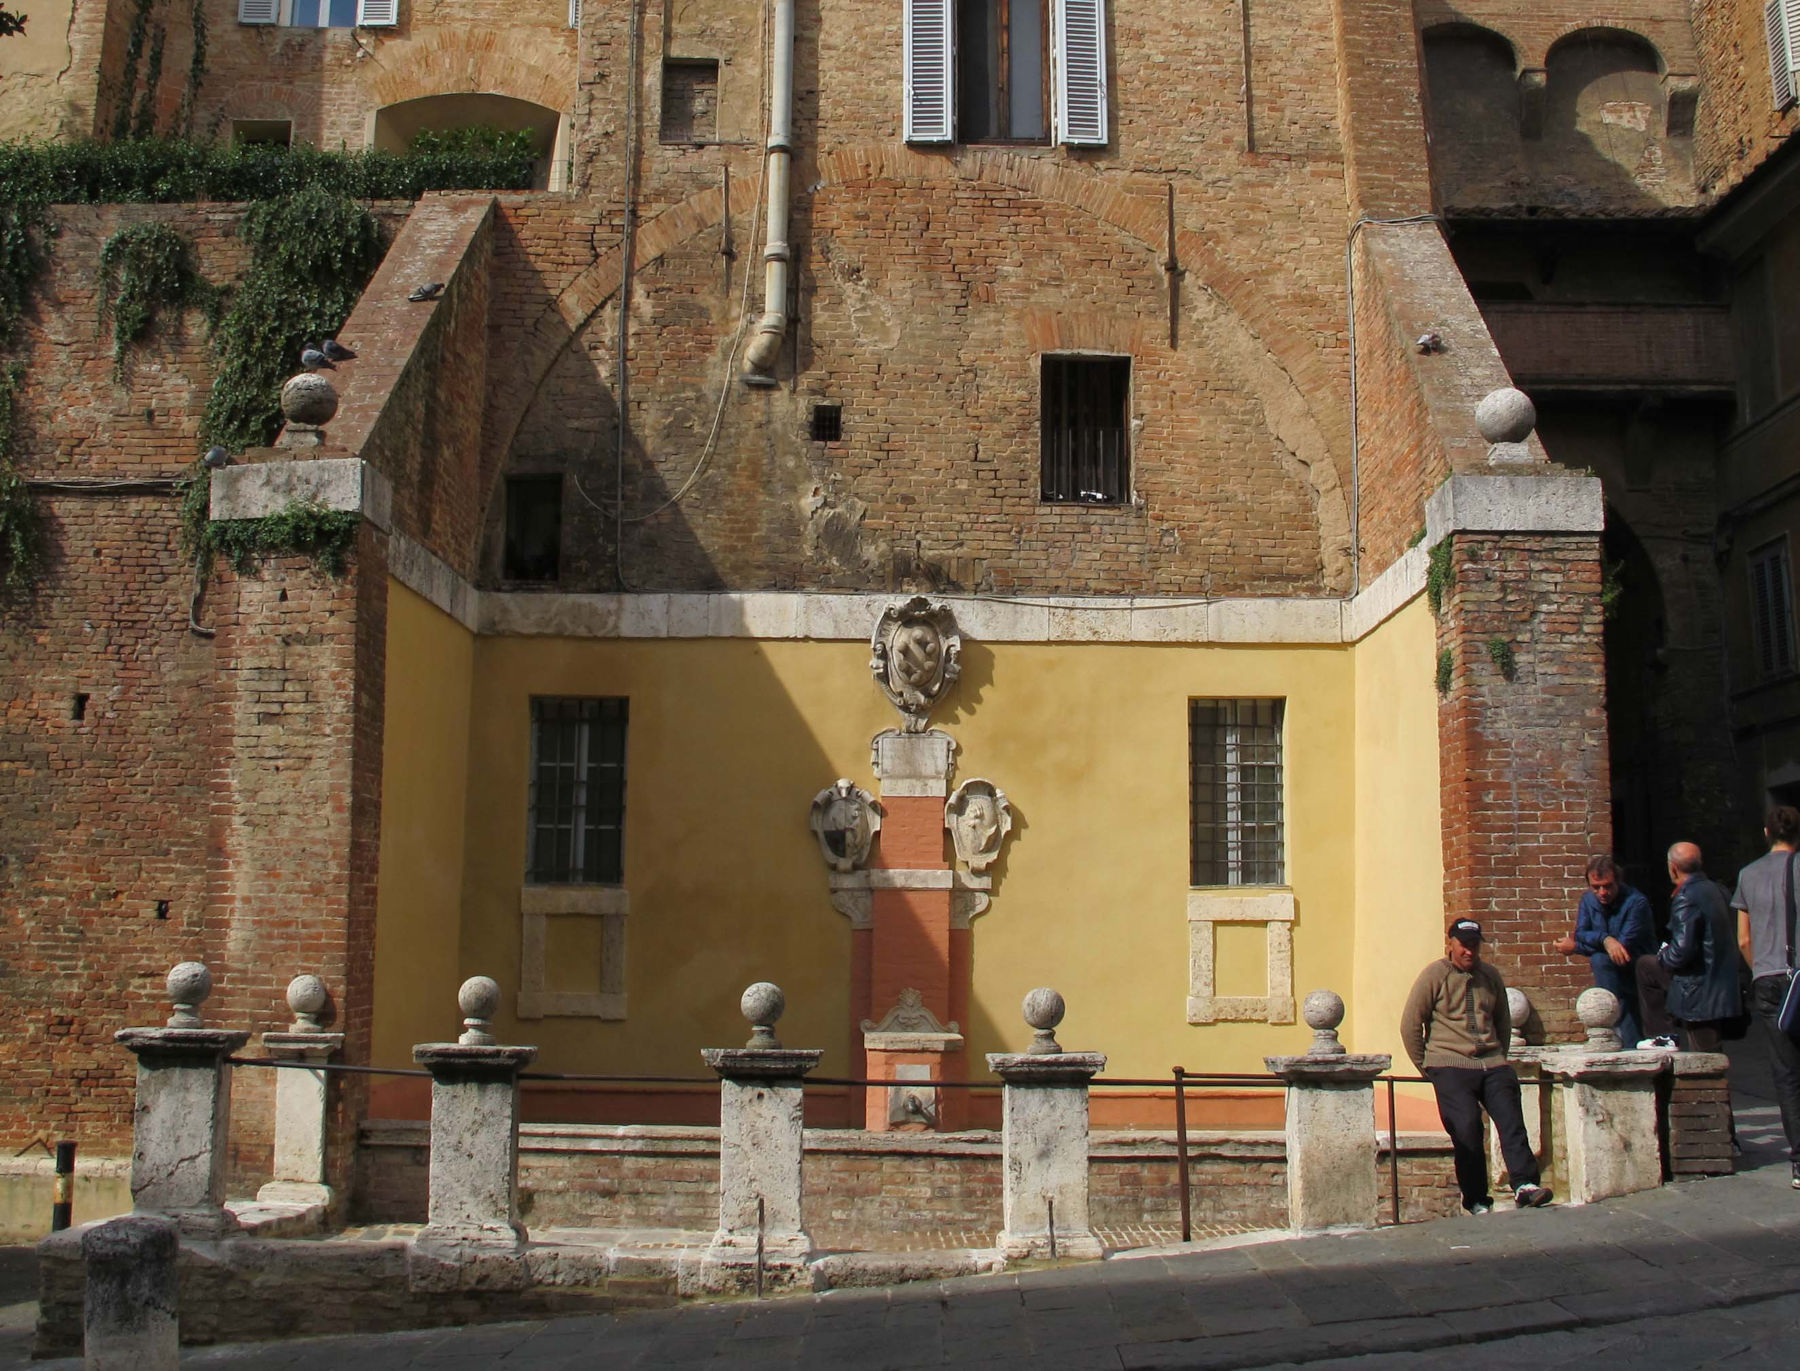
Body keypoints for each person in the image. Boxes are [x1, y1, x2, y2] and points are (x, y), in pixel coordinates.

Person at [1401, 919, 1553, 1214]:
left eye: (1474, 945)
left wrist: (1499, 1058)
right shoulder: (1434, 975)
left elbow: (1503, 1022)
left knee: (1510, 1121)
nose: (1469, 951)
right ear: (1452, 944)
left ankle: (1524, 1184)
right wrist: (1427, 1067)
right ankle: (1476, 1199)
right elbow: (1410, 1024)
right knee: (1467, 1128)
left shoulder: (1490, 976)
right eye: (1464, 945)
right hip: (1449, 1064)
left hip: (1491, 1062)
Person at [1731, 807, 1800, 1190]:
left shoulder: (1748, 874)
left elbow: (1743, 938)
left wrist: (1760, 967)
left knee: (1786, 1072)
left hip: (1769, 978)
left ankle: (1799, 1162)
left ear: (1766, 833)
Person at [1556, 854, 1656, 1050]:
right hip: (1610, 970)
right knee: (1601, 958)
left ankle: (1614, 1027)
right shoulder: (1588, 900)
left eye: (1608, 886)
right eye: (1596, 887)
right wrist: (1605, 939)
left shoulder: (1637, 903)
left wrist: (1576, 947)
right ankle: (1613, 1026)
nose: (1602, 892)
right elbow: (1581, 933)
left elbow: (1622, 949)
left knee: (1601, 960)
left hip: (1635, 966)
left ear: (1618, 882)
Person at [1650, 842, 1743, 1052]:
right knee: (1711, 1054)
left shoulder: (1686, 896)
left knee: (1705, 1061)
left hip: (1699, 993)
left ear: (1673, 867)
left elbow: (1681, 952)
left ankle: (1660, 1036)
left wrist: (1663, 955)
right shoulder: (1717, 890)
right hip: (1722, 987)